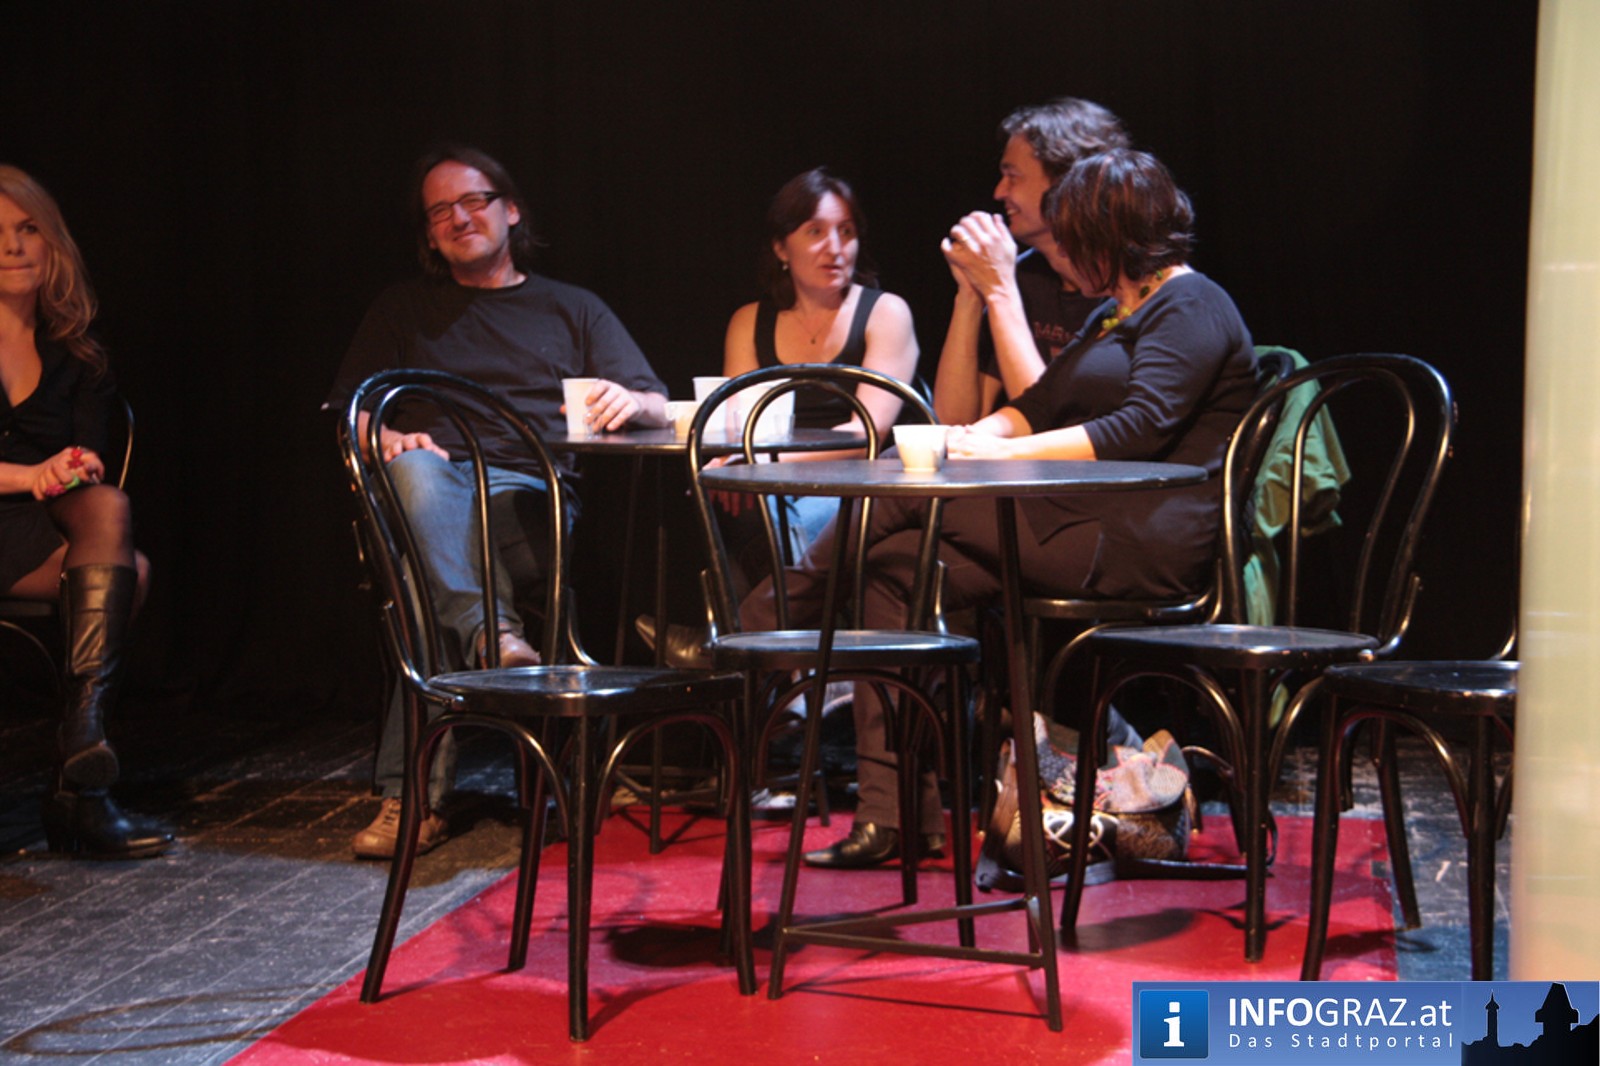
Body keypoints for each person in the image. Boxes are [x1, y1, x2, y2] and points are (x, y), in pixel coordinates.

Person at [746, 149, 1258, 868]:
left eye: (1070, 238)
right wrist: (964, 437)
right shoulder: (1118, 312)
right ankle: (895, 815)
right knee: (893, 569)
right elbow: (1037, 406)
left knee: (897, 503)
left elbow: (1139, 428)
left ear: (1108, 236)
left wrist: (995, 454)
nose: (1058, 254)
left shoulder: (1193, 303)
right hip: (1075, 521)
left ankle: (758, 631)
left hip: (1136, 537)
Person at [327, 144, 669, 858]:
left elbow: (655, 402)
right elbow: (351, 412)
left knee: (422, 582)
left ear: (511, 210)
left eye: (474, 201)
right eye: (440, 211)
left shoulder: (572, 308)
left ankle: (411, 798)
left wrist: (627, 400)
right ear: (429, 235)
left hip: (527, 499)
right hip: (430, 485)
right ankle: (495, 642)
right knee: (416, 478)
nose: (458, 218)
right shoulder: (403, 309)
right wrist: (385, 435)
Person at [0, 165, 169, 859]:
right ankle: (79, 789)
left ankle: (82, 744)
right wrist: (32, 474)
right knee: (132, 571)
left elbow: (86, 465)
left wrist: (71, 466)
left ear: (52, 242)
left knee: (107, 508)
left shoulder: (78, 354)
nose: (13, 247)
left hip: (38, 531)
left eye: (27, 229)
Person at [718, 167, 918, 565]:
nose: (835, 247)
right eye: (815, 232)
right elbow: (736, 423)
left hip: (856, 484)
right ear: (781, 248)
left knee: (775, 515)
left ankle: (777, 597)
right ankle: (782, 596)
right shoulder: (749, 322)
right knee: (729, 497)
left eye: (846, 231)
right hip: (771, 482)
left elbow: (867, 435)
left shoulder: (885, 313)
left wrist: (761, 463)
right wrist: (739, 466)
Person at [933, 97, 1130, 425]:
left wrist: (999, 291)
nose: (999, 192)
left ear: (1065, 181)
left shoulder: (1126, 286)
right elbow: (953, 422)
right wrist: (970, 293)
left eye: (1013, 176)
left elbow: (1051, 423)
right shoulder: (1026, 278)